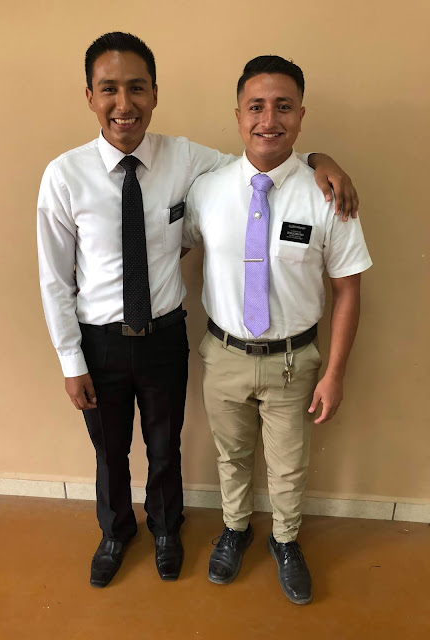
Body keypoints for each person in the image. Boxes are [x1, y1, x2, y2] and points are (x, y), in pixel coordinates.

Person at [37, 32, 360, 588]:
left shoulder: (187, 159)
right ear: (90, 96)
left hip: (165, 333)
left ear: (154, 93)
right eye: (109, 89)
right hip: (99, 338)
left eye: (137, 87)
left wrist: (321, 160)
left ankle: (168, 530)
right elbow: (53, 277)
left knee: (166, 445)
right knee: (109, 450)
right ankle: (115, 532)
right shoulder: (64, 176)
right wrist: (71, 360)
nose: (124, 103)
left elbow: (262, 161)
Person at [182, 55, 372, 604]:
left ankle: (285, 540)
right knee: (231, 455)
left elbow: (348, 290)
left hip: (294, 360)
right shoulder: (207, 189)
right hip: (224, 354)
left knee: (289, 465)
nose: (269, 119)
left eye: (283, 106)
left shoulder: (328, 195)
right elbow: (176, 249)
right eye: (256, 106)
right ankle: (235, 529)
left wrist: (335, 373)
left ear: (301, 115)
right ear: (238, 115)